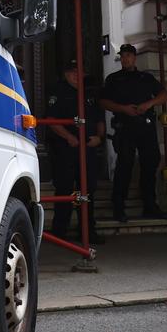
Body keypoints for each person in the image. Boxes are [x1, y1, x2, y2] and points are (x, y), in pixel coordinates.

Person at [100, 44, 167, 222]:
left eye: (129, 56)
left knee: (150, 164)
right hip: (125, 126)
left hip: (145, 127)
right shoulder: (114, 79)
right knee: (124, 165)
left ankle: (150, 205)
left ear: (134, 57)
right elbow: (104, 102)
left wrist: (148, 104)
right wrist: (123, 109)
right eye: (123, 56)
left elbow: (165, 95)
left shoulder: (145, 78)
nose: (126, 59)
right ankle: (118, 206)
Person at [44, 58, 105, 240]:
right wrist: (69, 137)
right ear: (66, 74)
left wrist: (100, 138)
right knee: (64, 188)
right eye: (72, 72)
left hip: (88, 148)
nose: (76, 76)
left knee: (87, 190)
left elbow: (100, 118)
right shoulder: (58, 92)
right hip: (66, 149)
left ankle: (87, 231)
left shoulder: (90, 93)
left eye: (79, 72)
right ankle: (60, 231)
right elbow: (53, 121)